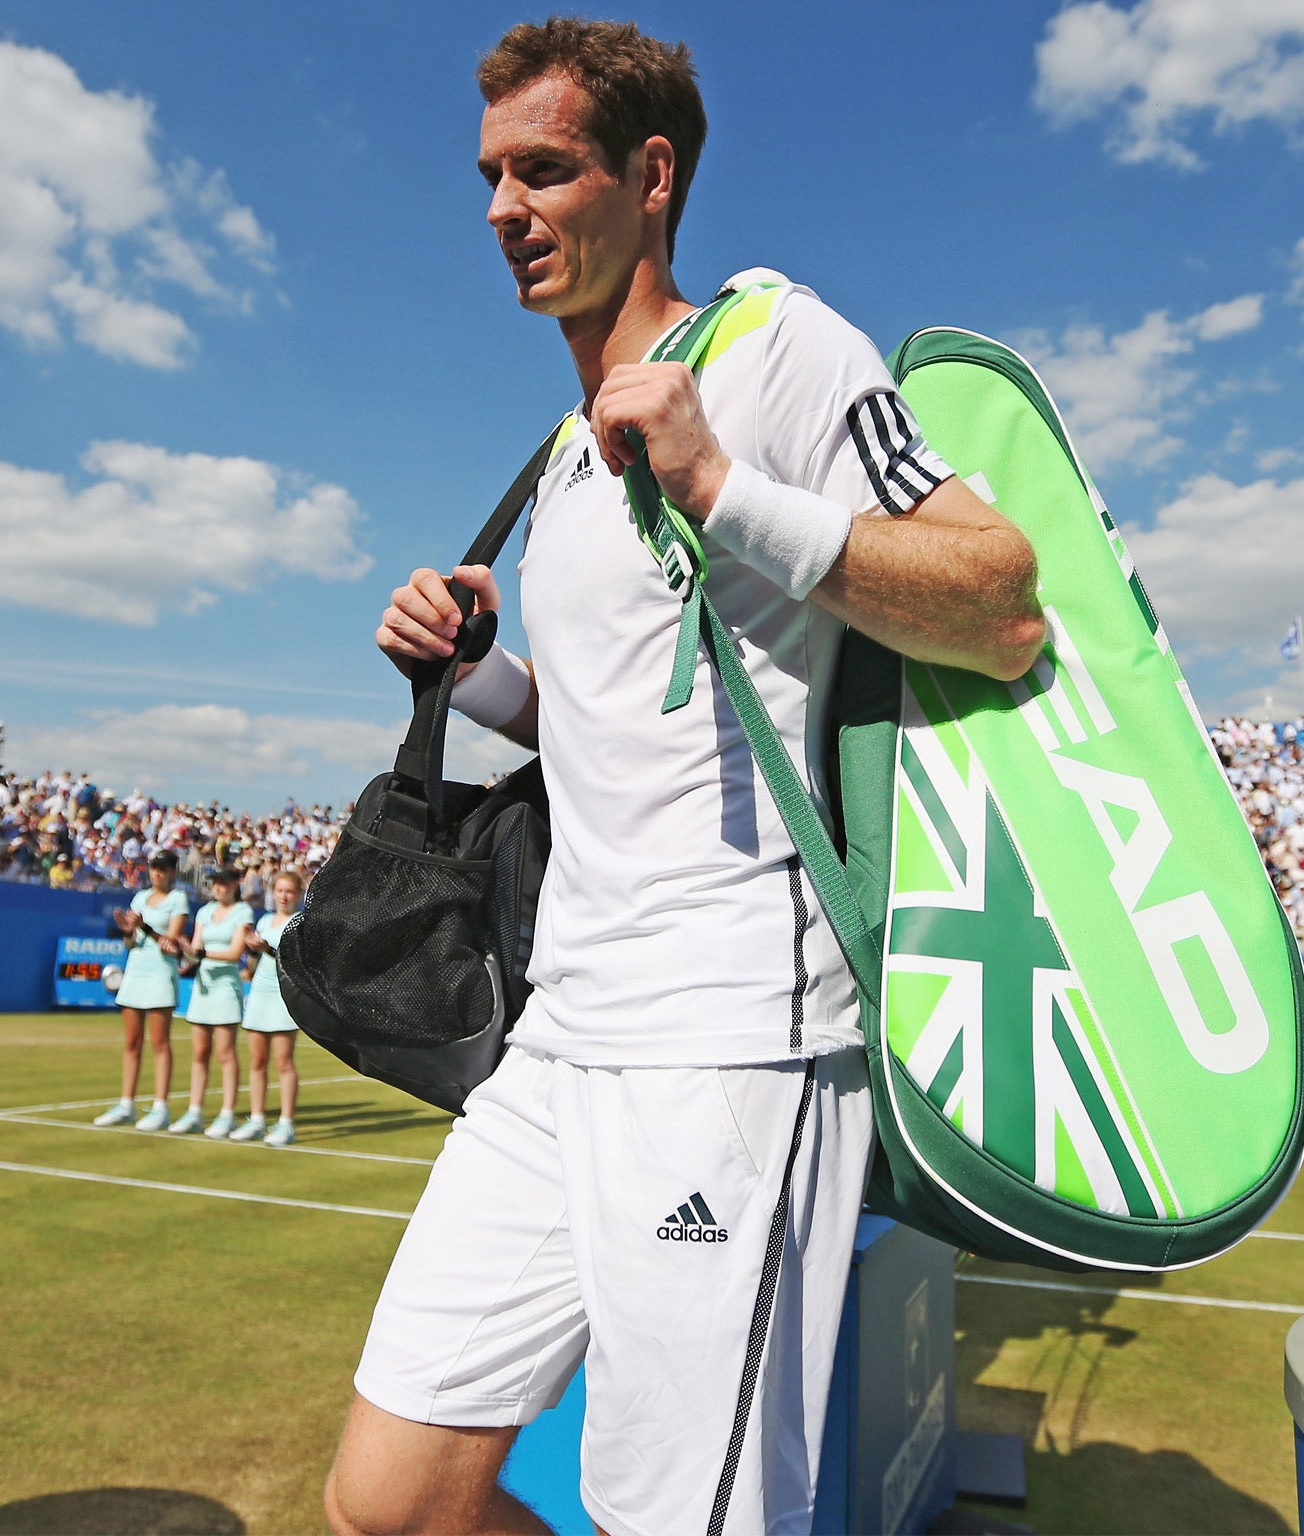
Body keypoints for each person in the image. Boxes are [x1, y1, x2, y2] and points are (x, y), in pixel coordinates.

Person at [326, 20, 1041, 1535]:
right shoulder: (563, 456)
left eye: (545, 169)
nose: (506, 208)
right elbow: (613, 726)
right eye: (491, 178)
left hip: (729, 1045)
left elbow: (1000, 596)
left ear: (651, 177)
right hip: (559, 1039)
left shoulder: (772, 344)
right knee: (388, 1501)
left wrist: (724, 487)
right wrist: (470, 680)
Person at [94, 849, 188, 1130]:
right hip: (135, 971)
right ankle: (126, 1104)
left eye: (162, 868)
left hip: (160, 973)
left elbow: (170, 942)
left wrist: (143, 926)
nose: (157, 872)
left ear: (173, 872)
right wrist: (127, 930)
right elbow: (131, 944)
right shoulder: (139, 898)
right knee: (132, 1043)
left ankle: (161, 1108)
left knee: (160, 1043)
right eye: (154, 867)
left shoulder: (178, 899)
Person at [167, 869, 253, 1138]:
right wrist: (183, 953)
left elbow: (235, 953)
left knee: (225, 1052)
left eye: (224, 883)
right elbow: (195, 952)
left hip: (226, 987)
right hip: (203, 988)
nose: (218, 888)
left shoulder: (243, 912)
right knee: (200, 1052)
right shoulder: (204, 912)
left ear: (234, 886)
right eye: (215, 884)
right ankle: (195, 1111)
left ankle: (227, 1114)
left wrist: (199, 953)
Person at [233, 867, 303, 1146]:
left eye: (289, 891)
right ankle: (257, 1118)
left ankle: (286, 1123)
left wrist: (266, 949)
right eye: (279, 891)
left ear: (298, 894)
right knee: (257, 1061)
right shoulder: (264, 922)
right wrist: (252, 950)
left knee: (284, 1062)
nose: (283, 896)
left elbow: (294, 961)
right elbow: (253, 962)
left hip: (283, 995)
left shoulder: (300, 923)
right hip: (260, 993)